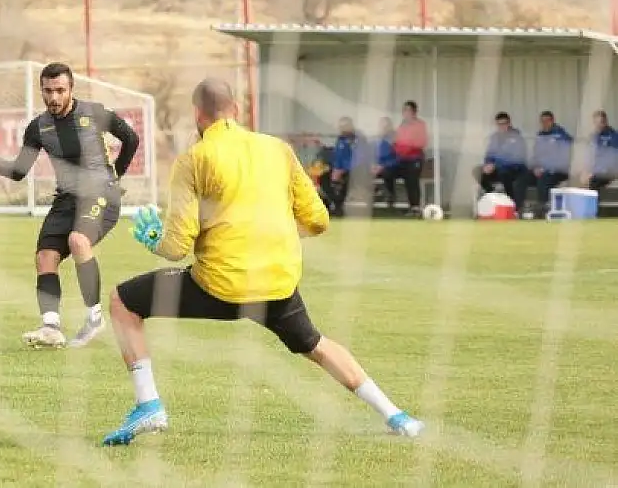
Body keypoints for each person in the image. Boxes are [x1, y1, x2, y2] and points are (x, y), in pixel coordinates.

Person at [100, 78, 424, 446]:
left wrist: (155, 240)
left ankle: (149, 405)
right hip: (277, 284)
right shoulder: (279, 150)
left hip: (221, 286)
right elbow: (318, 220)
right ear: (236, 110)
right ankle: (396, 415)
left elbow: (177, 247)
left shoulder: (193, 159)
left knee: (123, 302)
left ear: (197, 115)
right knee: (315, 344)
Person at [0, 62, 140, 349]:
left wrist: (114, 176)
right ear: (41, 91)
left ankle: (94, 317)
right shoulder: (39, 127)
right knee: (45, 257)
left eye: (60, 90)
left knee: (78, 240)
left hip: (100, 195)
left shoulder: (94, 113)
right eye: (48, 91)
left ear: (71, 89)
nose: (54, 97)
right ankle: (51, 327)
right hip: (67, 199)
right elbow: (19, 172)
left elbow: (131, 138)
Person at [473, 112, 529, 212]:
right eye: (500, 124)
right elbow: (489, 154)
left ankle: (510, 205)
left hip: (514, 169)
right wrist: (488, 164)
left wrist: (495, 164)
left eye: (504, 123)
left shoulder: (516, 137)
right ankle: (494, 196)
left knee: (505, 173)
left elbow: (515, 157)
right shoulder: (494, 137)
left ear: (509, 123)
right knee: (477, 171)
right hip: (497, 168)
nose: (502, 126)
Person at [522, 110, 572, 214]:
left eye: (547, 121)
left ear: (552, 121)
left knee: (543, 179)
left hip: (558, 171)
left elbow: (562, 158)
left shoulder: (562, 136)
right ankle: (518, 208)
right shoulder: (540, 136)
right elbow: (536, 156)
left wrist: (545, 169)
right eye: (542, 121)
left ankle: (542, 209)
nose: (544, 124)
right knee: (522, 178)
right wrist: (535, 167)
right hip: (541, 170)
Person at [322, 116, 368, 217]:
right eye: (341, 126)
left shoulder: (358, 139)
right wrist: (335, 168)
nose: (342, 129)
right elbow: (337, 156)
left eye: (345, 126)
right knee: (323, 177)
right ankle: (337, 204)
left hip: (355, 170)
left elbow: (359, 158)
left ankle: (339, 206)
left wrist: (342, 170)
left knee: (349, 179)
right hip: (339, 169)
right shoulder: (340, 139)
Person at [392, 100, 428, 215]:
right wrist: (397, 150)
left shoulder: (420, 125)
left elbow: (421, 142)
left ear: (414, 112)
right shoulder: (402, 125)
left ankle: (415, 208)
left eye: (408, 110)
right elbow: (397, 141)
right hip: (402, 159)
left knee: (412, 180)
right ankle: (390, 200)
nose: (405, 112)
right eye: (404, 110)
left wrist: (406, 149)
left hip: (414, 158)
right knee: (388, 172)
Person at [581, 110, 618, 192]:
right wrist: (586, 170)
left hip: (609, 170)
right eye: (596, 122)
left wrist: (594, 172)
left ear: (606, 122)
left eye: (601, 122)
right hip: (596, 170)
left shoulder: (614, 136)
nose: (598, 125)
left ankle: (592, 204)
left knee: (594, 182)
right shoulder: (593, 136)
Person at [371, 117, 400, 209]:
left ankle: (390, 197)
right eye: (382, 126)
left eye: (386, 126)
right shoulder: (375, 140)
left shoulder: (395, 140)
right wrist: (372, 165)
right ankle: (375, 192)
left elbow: (398, 158)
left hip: (390, 166)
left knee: (387, 173)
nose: (383, 128)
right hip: (375, 166)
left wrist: (383, 166)